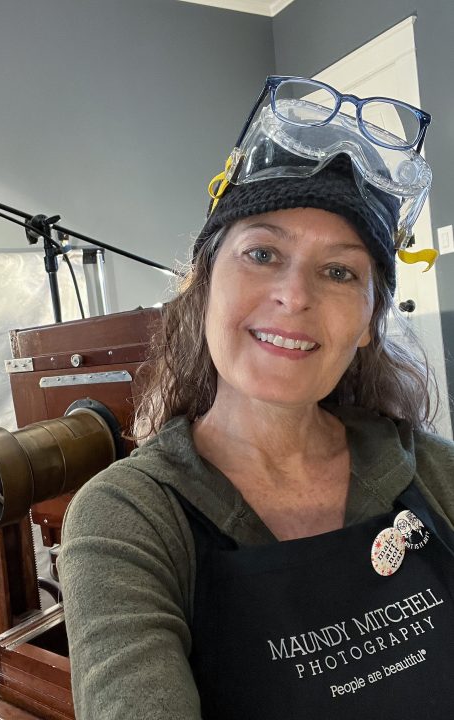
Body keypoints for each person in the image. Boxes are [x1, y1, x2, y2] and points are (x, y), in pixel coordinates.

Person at [58, 76, 454, 719]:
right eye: (263, 252)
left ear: (367, 324)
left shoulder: (436, 472)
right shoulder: (130, 518)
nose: (295, 296)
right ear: (204, 285)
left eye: (339, 271)